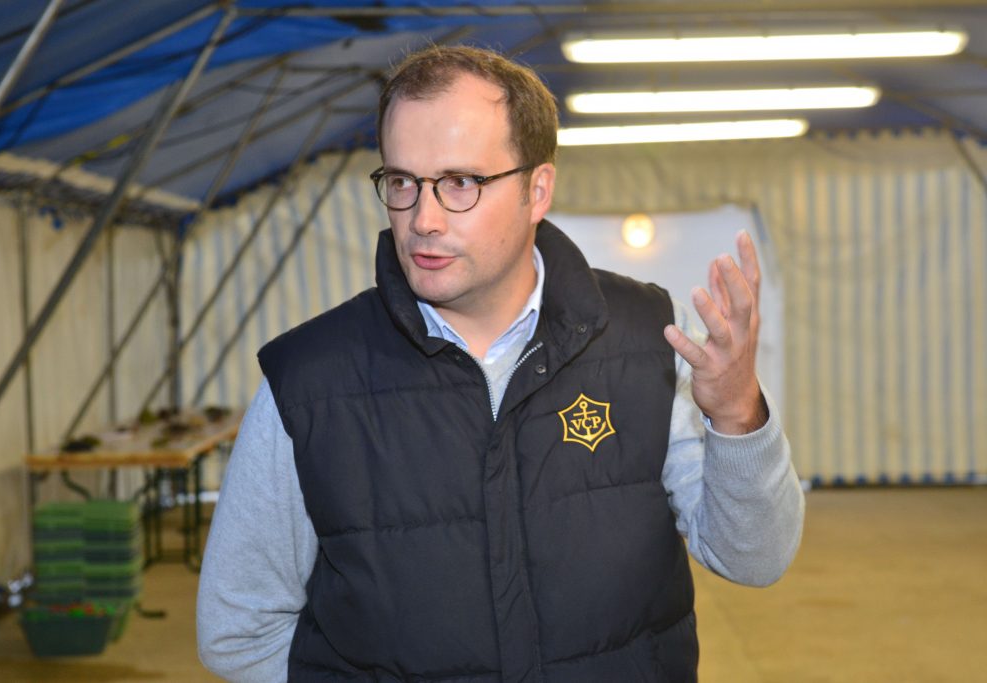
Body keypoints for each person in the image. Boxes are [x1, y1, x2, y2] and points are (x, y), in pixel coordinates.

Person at [197, 45, 804, 683]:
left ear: (536, 190)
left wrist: (738, 416)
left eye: (460, 183)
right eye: (402, 182)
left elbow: (754, 558)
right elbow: (238, 630)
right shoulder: (308, 384)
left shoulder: (649, 339)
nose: (423, 219)